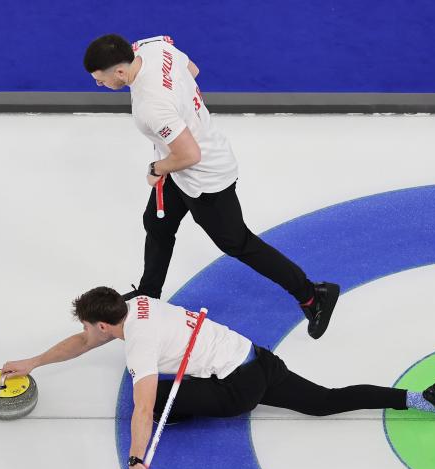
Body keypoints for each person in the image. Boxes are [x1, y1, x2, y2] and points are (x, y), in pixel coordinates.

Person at [0, 287, 435, 469]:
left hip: (237, 389)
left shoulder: (139, 346)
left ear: (106, 324)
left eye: (91, 327)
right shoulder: (138, 304)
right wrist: (33, 362)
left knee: (151, 399)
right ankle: (422, 399)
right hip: (257, 357)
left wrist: (135, 461)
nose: (89, 333)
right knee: (324, 401)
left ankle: (184, 409)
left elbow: (143, 410)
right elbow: (84, 343)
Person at [82, 34, 339, 339]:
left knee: (237, 243)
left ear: (120, 72)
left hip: (205, 178)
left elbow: (191, 155)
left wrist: (156, 168)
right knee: (157, 224)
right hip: (181, 168)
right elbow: (192, 69)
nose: (99, 84)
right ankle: (149, 297)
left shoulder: (151, 105)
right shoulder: (155, 48)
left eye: (100, 79)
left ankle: (313, 295)